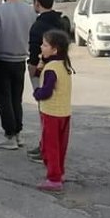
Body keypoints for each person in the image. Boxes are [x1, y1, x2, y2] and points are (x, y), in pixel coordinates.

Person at [0, 0, 36, 150]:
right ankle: (18, 133)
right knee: (17, 98)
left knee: (4, 99)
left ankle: (9, 135)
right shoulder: (30, 10)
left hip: (2, 60)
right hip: (20, 60)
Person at [25, 0, 66, 162]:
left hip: (43, 71)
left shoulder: (38, 26)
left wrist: (33, 70)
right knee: (56, 111)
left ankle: (46, 148)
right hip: (62, 70)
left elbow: (34, 53)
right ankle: (50, 145)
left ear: (37, 2)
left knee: (45, 110)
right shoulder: (61, 21)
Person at [32, 30, 74, 193]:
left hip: (51, 113)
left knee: (50, 147)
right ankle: (59, 172)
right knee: (60, 145)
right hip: (64, 112)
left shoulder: (51, 68)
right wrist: (42, 61)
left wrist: (37, 93)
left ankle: (54, 178)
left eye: (45, 45)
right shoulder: (64, 64)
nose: (41, 47)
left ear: (54, 49)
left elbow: (46, 90)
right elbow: (39, 73)